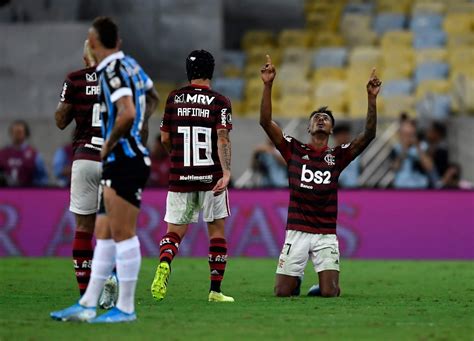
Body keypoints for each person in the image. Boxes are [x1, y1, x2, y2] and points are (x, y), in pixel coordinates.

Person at [51, 16, 158, 323]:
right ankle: (86, 303)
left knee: (122, 235)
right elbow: (151, 97)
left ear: (94, 44)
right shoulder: (132, 66)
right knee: (104, 233)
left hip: (123, 159)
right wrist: (139, 129)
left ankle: (125, 308)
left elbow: (126, 112)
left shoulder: (109, 70)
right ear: (119, 42)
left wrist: (110, 143)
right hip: (125, 158)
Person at [259, 55, 380, 297]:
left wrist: (371, 99)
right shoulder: (293, 149)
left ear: (331, 129)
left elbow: (368, 135)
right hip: (297, 230)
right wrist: (268, 85)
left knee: (329, 293)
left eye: (326, 118)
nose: (321, 119)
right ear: (308, 128)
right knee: (282, 292)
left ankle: (323, 284)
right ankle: (295, 280)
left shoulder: (338, 156)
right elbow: (265, 122)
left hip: (325, 233)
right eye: (316, 117)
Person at [151, 49, 234, 303]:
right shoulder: (220, 101)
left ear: (188, 72)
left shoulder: (174, 98)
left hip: (180, 176)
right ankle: (215, 291)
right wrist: (227, 171)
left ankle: (164, 263)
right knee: (217, 231)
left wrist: (176, 158)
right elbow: (222, 137)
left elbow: (164, 138)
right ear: (211, 71)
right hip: (211, 177)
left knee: (174, 231)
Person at [0, 120, 48, 187]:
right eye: (14, 132)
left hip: (27, 191)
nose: (16, 135)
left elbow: (42, 178)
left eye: (19, 132)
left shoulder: (34, 154)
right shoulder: (2, 153)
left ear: (26, 134)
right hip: (6, 191)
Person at [390, 116, 434, 189]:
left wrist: (418, 147)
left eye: (410, 135)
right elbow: (395, 168)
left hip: (420, 186)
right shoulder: (396, 148)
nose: (408, 138)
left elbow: (429, 167)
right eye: (405, 135)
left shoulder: (423, 146)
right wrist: (404, 149)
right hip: (401, 186)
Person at [332, 124, 360, 188]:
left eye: (345, 134)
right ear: (336, 137)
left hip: (353, 189)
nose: (344, 137)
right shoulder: (330, 155)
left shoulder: (356, 154)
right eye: (341, 135)